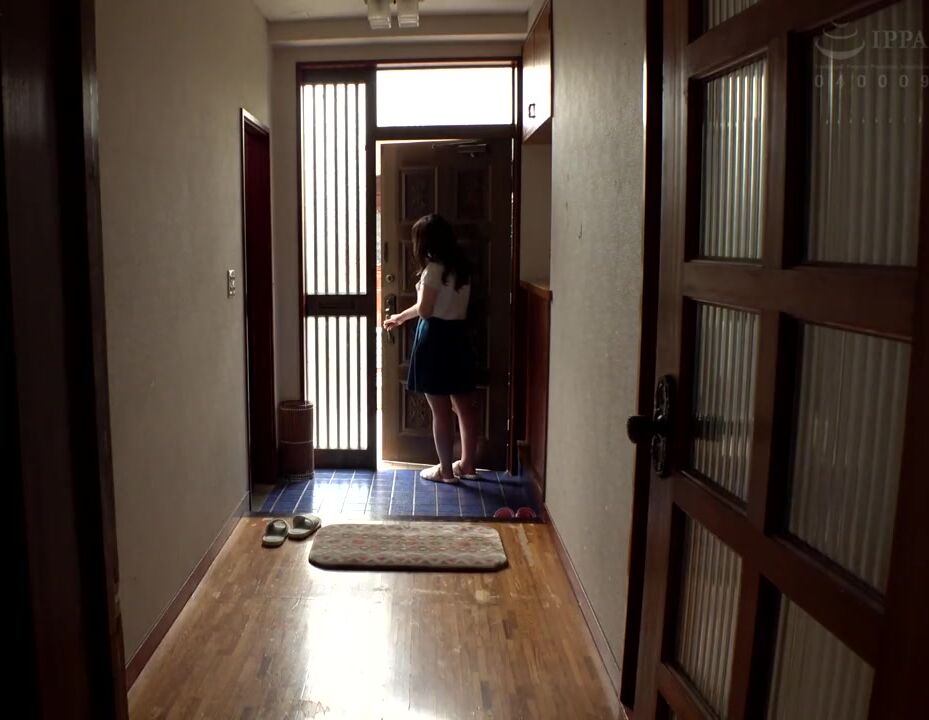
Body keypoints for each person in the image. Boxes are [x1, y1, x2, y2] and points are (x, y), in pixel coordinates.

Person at [383, 214, 479, 483]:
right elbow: (432, 305)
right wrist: (401, 317)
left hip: (435, 339)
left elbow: (426, 310)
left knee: (440, 410)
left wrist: (408, 311)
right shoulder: (461, 268)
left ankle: (445, 471)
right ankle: (468, 465)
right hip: (458, 337)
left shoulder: (433, 270)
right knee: (464, 407)